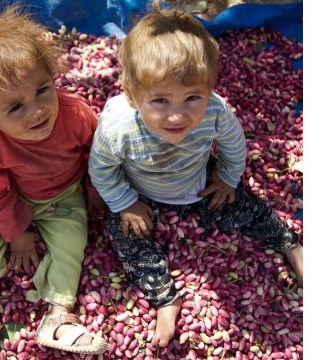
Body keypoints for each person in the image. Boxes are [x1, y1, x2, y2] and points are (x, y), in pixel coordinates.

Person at [88, 1, 304, 348]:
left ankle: (291, 246)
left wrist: (227, 179)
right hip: (144, 194)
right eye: (160, 101)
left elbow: (234, 146)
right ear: (131, 94)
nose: (178, 116)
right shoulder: (117, 127)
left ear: (210, 88)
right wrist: (126, 203)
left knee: (248, 205)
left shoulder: (215, 112)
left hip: (199, 184)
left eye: (192, 97)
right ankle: (164, 297)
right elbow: (101, 168)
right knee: (124, 235)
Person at [0, 5, 107, 358]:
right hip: (7, 196)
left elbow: (97, 157)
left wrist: (95, 194)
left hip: (61, 194)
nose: (38, 110)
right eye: (15, 107)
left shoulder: (76, 114)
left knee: (72, 240)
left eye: (42, 90)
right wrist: (16, 234)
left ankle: (60, 316)